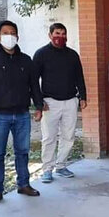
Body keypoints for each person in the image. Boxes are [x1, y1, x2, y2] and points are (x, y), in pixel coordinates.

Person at [0, 20, 44, 206]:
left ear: (17, 36)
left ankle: (23, 184)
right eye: (5, 33)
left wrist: (38, 106)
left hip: (22, 114)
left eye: (13, 33)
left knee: (22, 151)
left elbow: (33, 86)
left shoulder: (26, 60)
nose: (9, 36)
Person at [33, 23, 87, 183]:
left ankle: (61, 165)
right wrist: (38, 102)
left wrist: (83, 96)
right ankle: (47, 169)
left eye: (64, 34)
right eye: (57, 33)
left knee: (68, 136)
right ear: (50, 35)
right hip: (49, 102)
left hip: (70, 101)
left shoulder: (72, 55)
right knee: (49, 137)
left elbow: (79, 77)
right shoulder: (41, 54)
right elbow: (34, 81)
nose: (61, 37)